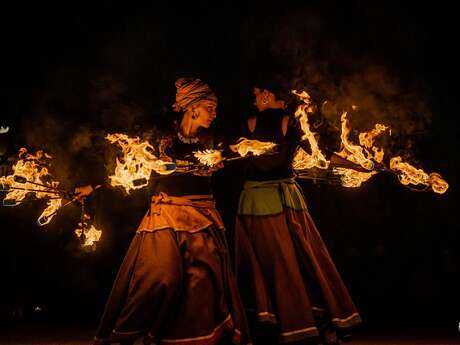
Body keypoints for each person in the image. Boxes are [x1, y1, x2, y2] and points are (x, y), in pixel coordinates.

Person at [76, 78, 249, 345]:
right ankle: (129, 336)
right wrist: (94, 187)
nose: (215, 114)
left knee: (201, 281)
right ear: (192, 108)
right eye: (209, 107)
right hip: (164, 216)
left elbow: (244, 153)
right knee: (159, 276)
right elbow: (131, 172)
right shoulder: (162, 140)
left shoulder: (215, 141)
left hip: (202, 219)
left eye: (215, 109)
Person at [233, 80, 362, 345]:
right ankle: (316, 319)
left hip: (259, 201)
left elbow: (319, 154)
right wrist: (359, 166)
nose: (254, 97)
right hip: (282, 198)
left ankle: (281, 323)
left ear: (268, 94)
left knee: (274, 263)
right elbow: (323, 154)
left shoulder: (251, 123)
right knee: (301, 259)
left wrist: (358, 166)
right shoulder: (291, 122)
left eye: (256, 92)